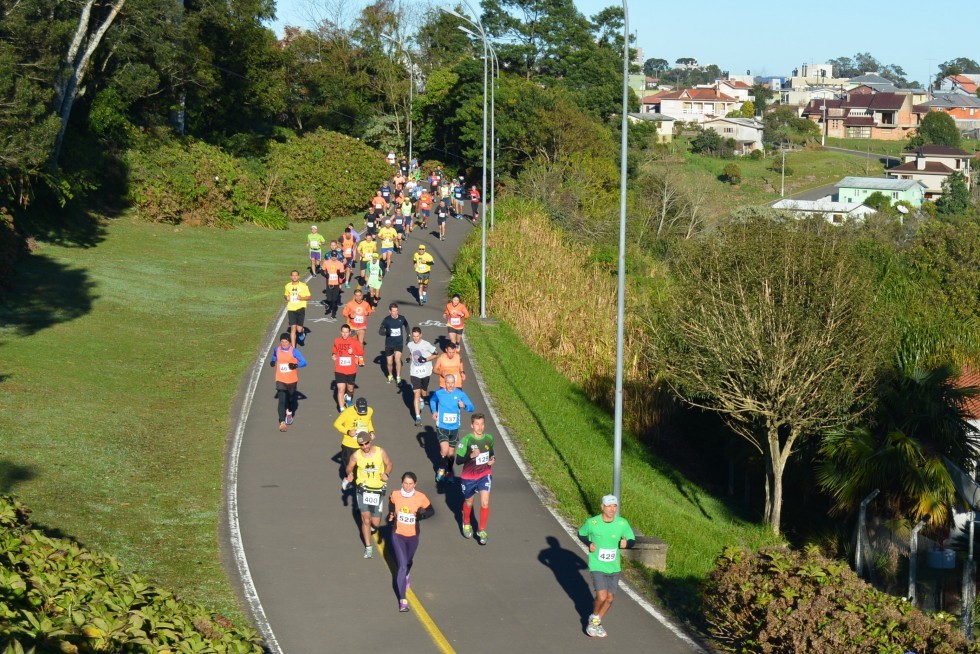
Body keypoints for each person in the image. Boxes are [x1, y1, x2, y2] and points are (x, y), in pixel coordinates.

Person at [578, 495, 636, 638]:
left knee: (610, 598)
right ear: (602, 507)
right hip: (597, 564)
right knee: (602, 596)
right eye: (609, 506)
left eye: (614, 506)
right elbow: (581, 534)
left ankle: (596, 621)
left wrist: (627, 544)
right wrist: (588, 544)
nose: (612, 509)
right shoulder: (593, 522)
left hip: (614, 567)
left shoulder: (622, 523)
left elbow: (632, 539)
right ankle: (594, 619)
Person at [387, 471, 434, 612]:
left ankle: (407, 574)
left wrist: (420, 515)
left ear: (415, 484)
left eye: (410, 484)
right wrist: (391, 514)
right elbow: (391, 502)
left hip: (413, 536)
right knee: (401, 566)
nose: (407, 487)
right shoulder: (395, 494)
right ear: (402, 482)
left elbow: (431, 511)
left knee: (408, 561)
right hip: (398, 535)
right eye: (405, 483)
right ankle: (402, 600)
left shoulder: (420, 497)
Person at [345, 431, 392, 559]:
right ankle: (368, 547)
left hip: (378, 489)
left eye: (366, 443)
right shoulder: (356, 456)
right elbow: (349, 467)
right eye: (362, 444)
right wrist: (350, 474)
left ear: (370, 441)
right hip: (363, 489)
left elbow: (389, 463)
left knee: (375, 523)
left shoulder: (380, 451)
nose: (365, 446)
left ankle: (371, 528)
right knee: (366, 519)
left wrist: (386, 474)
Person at [456, 413, 494, 545]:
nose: (480, 427)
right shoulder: (466, 440)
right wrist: (471, 455)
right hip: (469, 477)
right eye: (477, 424)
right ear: (472, 425)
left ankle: (481, 529)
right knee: (469, 503)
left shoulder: (489, 438)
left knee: (485, 502)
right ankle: (466, 522)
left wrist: (491, 460)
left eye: (482, 424)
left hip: (484, 474)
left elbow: (491, 453)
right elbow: (458, 460)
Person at [428, 374, 474, 483]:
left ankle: (449, 472)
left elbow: (471, 407)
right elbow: (432, 400)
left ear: (455, 383)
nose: (450, 385)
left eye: (452, 383)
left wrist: (464, 406)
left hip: (454, 428)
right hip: (442, 426)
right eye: (448, 383)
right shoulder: (439, 393)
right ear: (445, 383)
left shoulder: (460, 394)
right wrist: (434, 411)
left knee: (450, 453)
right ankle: (441, 469)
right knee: (444, 449)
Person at [333, 397, 375, 490]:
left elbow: (368, 421)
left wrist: (371, 432)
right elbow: (336, 424)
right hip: (349, 445)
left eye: (364, 411)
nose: (362, 413)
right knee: (349, 467)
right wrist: (348, 431)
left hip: (363, 444)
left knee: (363, 465)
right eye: (360, 411)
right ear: (355, 406)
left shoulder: (370, 411)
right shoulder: (347, 412)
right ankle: (347, 479)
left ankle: (361, 484)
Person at [270, 333, 308, 432]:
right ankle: (282, 422)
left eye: (286, 342)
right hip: (280, 379)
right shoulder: (277, 349)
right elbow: (274, 356)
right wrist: (273, 361)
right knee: (281, 400)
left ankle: (289, 412)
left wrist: (295, 366)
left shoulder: (294, 351)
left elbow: (304, 362)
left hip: (292, 380)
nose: (284, 344)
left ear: (289, 342)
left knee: (291, 399)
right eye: (282, 342)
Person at [406, 327, 438, 426]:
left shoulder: (426, 344)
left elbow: (436, 354)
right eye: (414, 336)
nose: (415, 338)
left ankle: (422, 398)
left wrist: (426, 359)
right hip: (415, 373)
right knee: (416, 394)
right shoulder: (410, 344)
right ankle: (418, 417)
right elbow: (411, 353)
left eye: (417, 336)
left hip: (426, 373)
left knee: (424, 393)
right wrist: (409, 357)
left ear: (421, 335)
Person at [332, 324, 365, 413]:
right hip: (339, 369)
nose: (345, 334)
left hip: (351, 370)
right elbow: (334, 350)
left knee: (350, 389)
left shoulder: (354, 342)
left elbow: (361, 352)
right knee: (340, 389)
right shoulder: (337, 341)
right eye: (343, 332)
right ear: (341, 332)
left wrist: (353, 351)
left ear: (350, 332)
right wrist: (334, 355)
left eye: (347, 332)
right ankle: (342, 409)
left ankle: (349, 397)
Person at [378, 303, 410, 384]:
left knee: (397, 360)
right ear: (390, 311)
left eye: (396, 311)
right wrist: (386, 332)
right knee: (389, 362)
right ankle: (390, 375)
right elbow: (380, 331)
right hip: (389, 344)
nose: (395, 313)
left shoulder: (402, 318)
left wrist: (408, 336)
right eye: (393, 311)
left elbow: (406, 326)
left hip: (399, 343)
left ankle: (398, 377)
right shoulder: (386, 320)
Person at [284, 270, 312, 348]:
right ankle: (293, 348)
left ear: (298, 277)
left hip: (300, 309)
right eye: (293, 275)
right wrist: (287, 297)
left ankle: (302, 332)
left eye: (296, 275)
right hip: (291, 309)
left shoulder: (304, 286)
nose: (294, 277)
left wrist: (302, 298)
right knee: (293, 328)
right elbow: (285, 295)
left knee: (298, 329)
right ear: (290, 277)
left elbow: (309, 297)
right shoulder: (287, 286)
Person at [321, 251, 345, 320]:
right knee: (329, 299)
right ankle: (328, 304)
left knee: (334, 300)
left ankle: (333, 314)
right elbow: (322, 271)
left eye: (335, 256)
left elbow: (342, 275)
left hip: (336, 284)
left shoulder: (340, 264)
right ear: (331, 256)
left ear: (337, 256)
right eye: (332, 256)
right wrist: (326, 275)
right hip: (329, 284)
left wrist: (339, 273)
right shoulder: (326, 262)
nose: (334, 257)